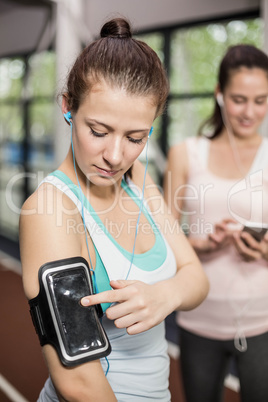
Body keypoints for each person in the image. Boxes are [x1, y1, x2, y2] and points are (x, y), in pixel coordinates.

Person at [19, 17, 209, 402]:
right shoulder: (50, 210)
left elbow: (196, 279)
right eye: (99, 131)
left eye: (135, 137)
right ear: (68, 107)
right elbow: (78, 381)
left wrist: (165, 294)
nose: (116, 155)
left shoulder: (137, 176)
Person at [164, 44, 268, 402]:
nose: (250, 112)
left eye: (261, 100)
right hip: (198, 316)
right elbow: (163, 236)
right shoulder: (186, 153)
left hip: (262, 319)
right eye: (240, 99)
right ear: (220, 94)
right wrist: (200, 244)